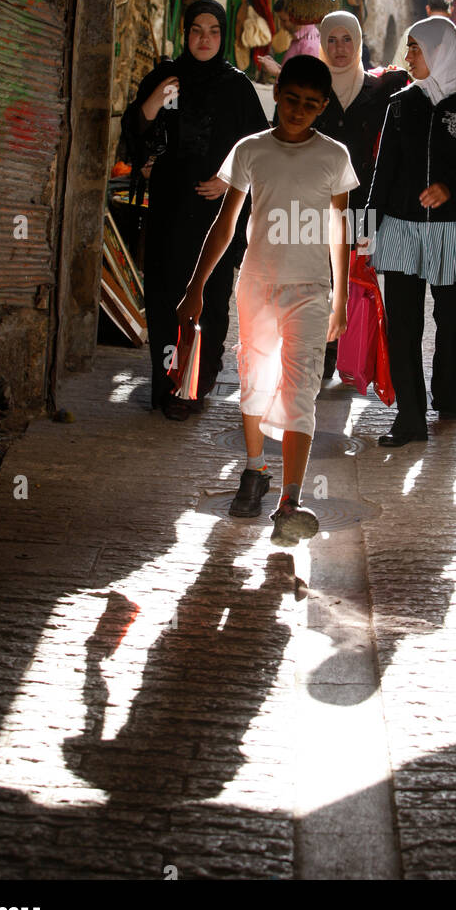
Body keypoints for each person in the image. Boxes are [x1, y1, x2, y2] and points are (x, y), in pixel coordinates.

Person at [176, 55, 359, 545]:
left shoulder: (335, 157)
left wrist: (341, 297)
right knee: (255, 382)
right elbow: (225, 224)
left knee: (301, 392)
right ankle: (254, 470)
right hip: (256, 286)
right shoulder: (250, 150)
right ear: (276, 94)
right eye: (292, 100)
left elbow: (339, 231)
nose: (299, 111)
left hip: (311, 291)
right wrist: (195, 288)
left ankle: (291, 500)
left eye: (311, 105)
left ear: (323, 108)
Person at [121, 0, 267, 420]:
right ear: (185, 33)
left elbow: (257, 147)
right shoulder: (167, 78)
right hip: (169, 208)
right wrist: (156, 100)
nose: (204, 39)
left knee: (210, 297)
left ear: (222, 37)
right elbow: (134, 134)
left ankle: (195, 386)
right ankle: (168, 381)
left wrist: (227, 180)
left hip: (215, 216)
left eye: (213, 31)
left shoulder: (236, 87)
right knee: (166, 296)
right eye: (197, 30)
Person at [361, 16, 456, 447]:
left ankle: (448, 398)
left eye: (416, 48)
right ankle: (410, 419)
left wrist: (450, 189)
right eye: (409, 48)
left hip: (454, 230)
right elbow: (383, 174)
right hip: (403, 229)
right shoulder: (400, 105)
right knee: (403, 327)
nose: (408, 57)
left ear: (440, 51)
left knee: (453, 320)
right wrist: (365, 227)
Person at [313, 10, 408, 377]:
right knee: (318, 277)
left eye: (347, 39)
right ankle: (321, 355)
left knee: (357, 280)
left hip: (364, 200)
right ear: (323, 44)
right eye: (332, 40)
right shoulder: (313, 90)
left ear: (359, 42)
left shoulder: (378, 90)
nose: (339, 48)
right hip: (315, 202)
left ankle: (352, 356)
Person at [394, 0, 456, 90]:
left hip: (418, 99)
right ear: (451, 9)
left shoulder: (410, 33)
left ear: (428, 9)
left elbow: (398, 69)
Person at [257, 0, 320, 80]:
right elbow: (296, 72)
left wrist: (277, 72)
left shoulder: (310, 44)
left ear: (297, 17)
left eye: (284, 20)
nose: (281, 25)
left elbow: (306, 81)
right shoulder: (298, 40)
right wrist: (276, 67)